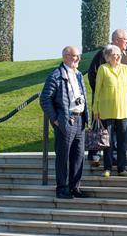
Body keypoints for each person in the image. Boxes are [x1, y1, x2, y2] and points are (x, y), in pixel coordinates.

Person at [40, 46, 89, 199]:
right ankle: (62, 188)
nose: (78, 59)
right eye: (75, 56)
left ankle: (75, 187)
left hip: (80, 120)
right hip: (65, 121)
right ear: (66, 57)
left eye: (78, 56)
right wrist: (55, 119)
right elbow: (45, 99)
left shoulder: (79, 75)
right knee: (63, 156)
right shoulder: (55, 75)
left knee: (78, 156)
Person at [87, 29, 127, 165]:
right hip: (105, 103)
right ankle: (95, 156)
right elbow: (92, 75)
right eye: (125, 40)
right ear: (116, 40)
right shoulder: (102, 55)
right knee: (101, 132)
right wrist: (104, 91)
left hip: (122, 106)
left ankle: (116, 161)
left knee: (118, 137)